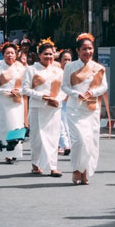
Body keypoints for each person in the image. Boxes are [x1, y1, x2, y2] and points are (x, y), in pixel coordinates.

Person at [62, 33, 107, 185]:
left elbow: (104, 87)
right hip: (75, 109)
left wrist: (92, 92)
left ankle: (85, 170)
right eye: (84, 49)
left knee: (90, 141)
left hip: (92, 108)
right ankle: (76, 169)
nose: (88, 52)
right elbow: (64, 86)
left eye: (90, 49)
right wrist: (76, 94)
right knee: (79, 140)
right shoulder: (70, 66)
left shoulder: (98, 68)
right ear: (78, 50)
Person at [22, 39, 65, 177]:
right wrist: (42, 96)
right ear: (39, 55)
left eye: (51, 54)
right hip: (37, 107)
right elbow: (25, 89)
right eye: (45, 54)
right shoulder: (31, 69)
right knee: (37, 138)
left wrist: (57, 99)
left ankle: (53, 167)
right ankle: (36, 164)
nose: (48, 57)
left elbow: (64, 89)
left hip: (54, 108)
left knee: (53, 138)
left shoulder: (58, 71)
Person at [0, 42, 27, 164]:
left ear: (16, 54)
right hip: (4, 101)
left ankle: (15, 151)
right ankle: (7, 153)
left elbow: (27, 85)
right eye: (7, 53)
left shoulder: (21, 68)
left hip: (17, 101)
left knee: (16, 126)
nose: (10, 55)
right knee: (5, 126)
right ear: (3, 55)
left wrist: (18, 91)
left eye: (12, 53)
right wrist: (7, 91)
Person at [57, 49, 73, 155]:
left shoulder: (74, 73)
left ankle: (68, 145)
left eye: (69, 59)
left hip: (71, 103)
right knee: (60, 125)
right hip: (58, 102)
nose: (67, 62)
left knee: (68, 125)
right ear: (60, 61)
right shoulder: (56, 72)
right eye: (65, 59)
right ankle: (63, 145)